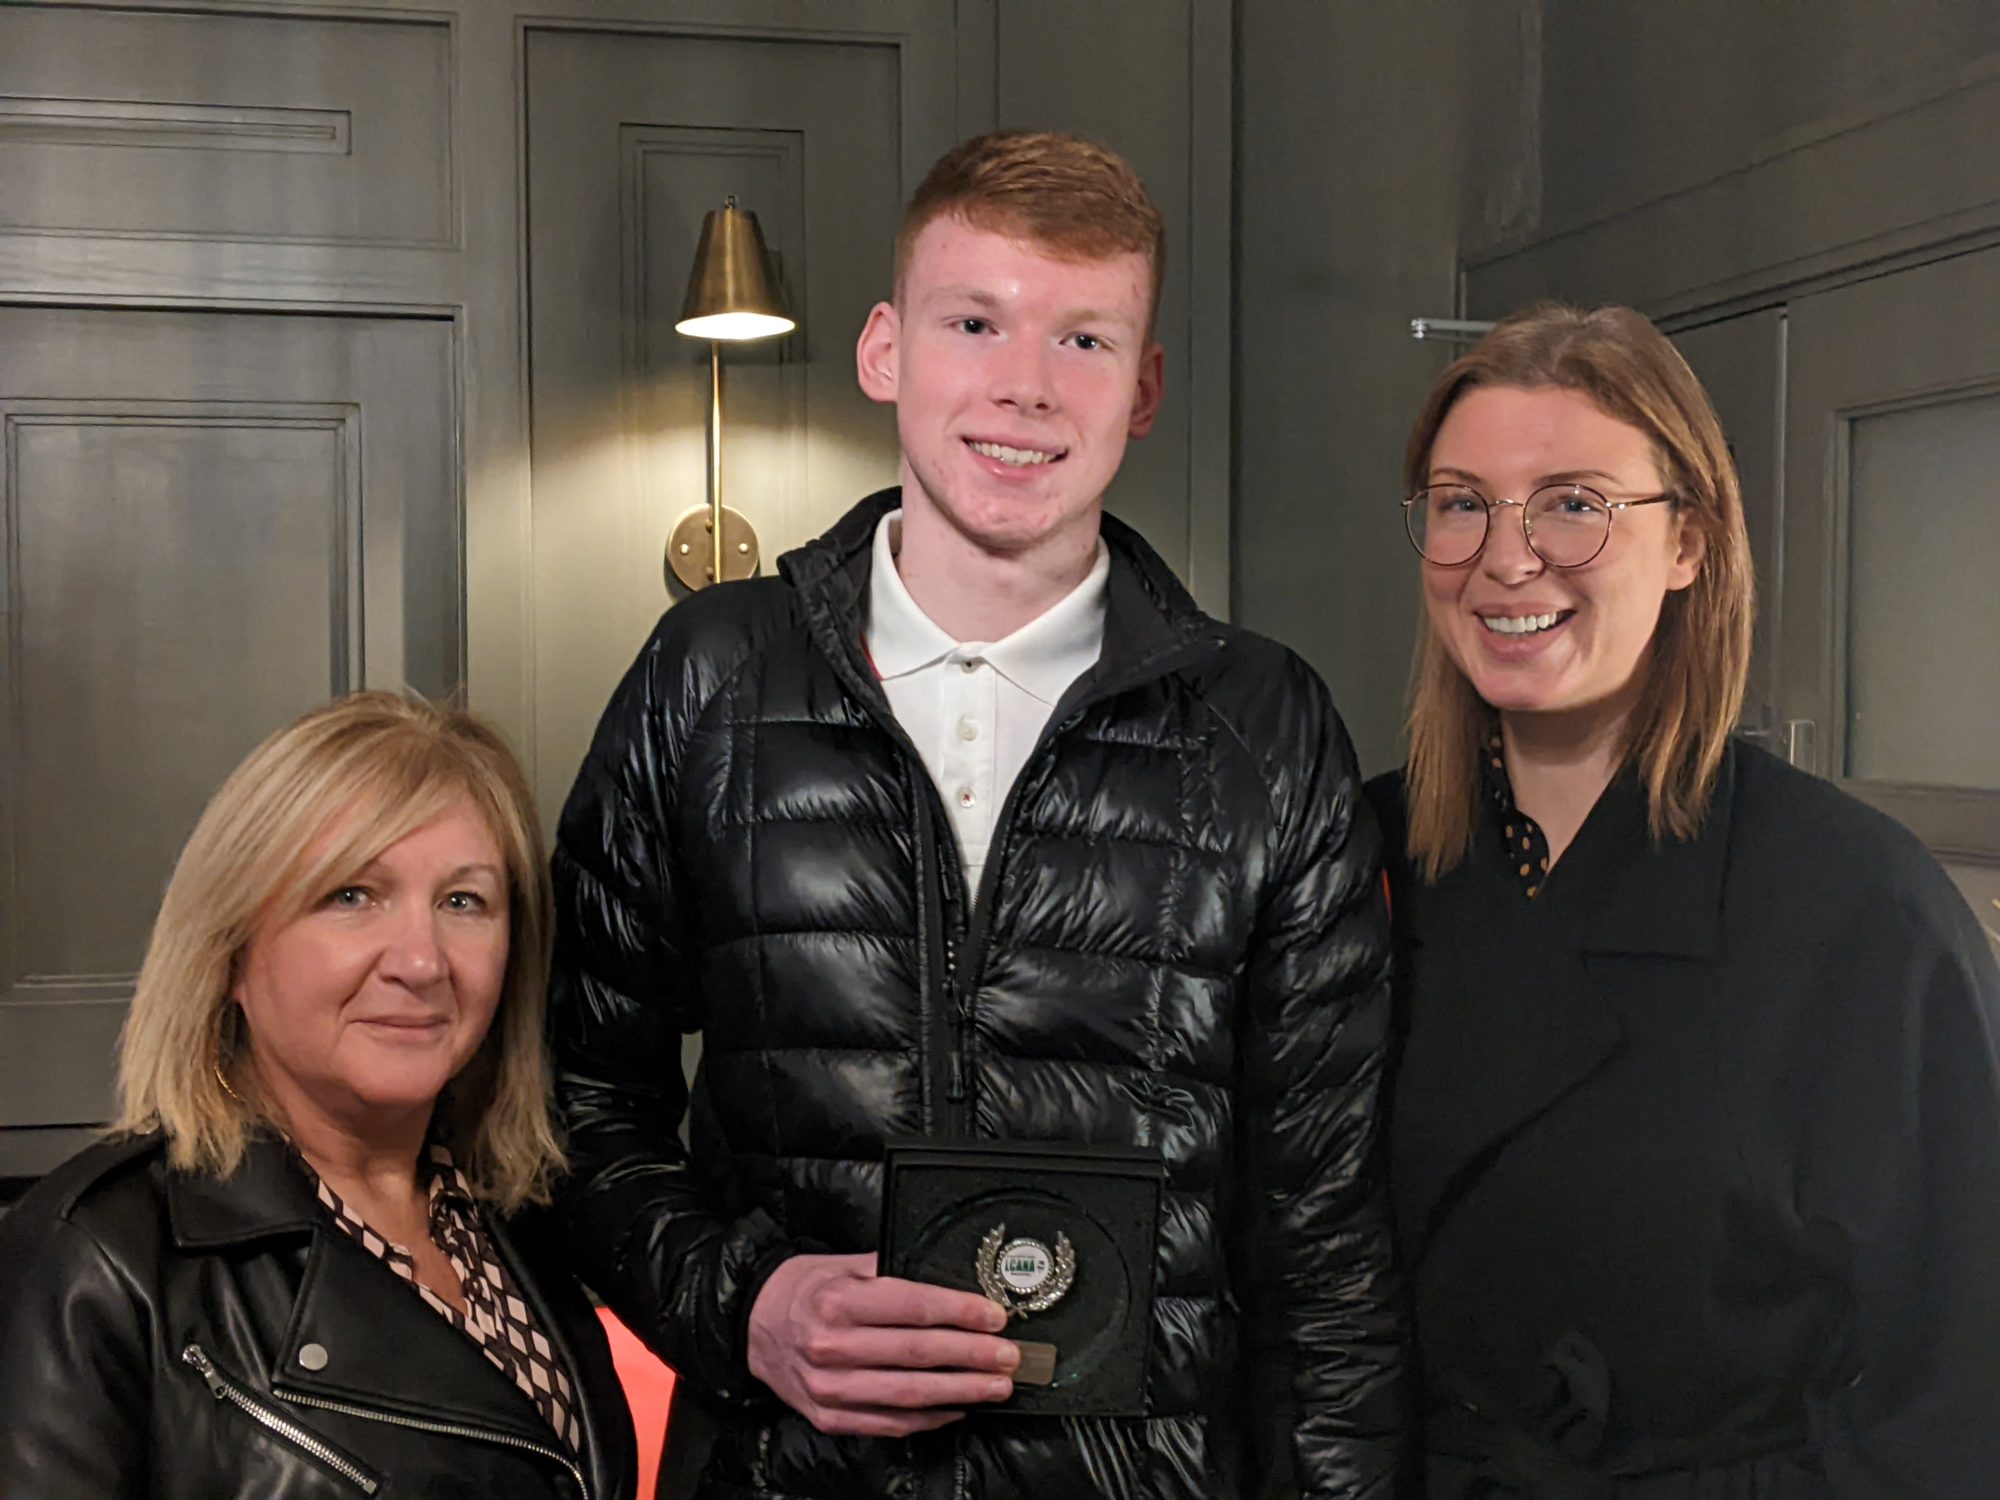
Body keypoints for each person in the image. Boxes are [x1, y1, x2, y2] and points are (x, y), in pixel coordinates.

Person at [548, 130, 1408, 1498]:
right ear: (886, 349)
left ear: (1144, 389)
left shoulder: (1265, 727)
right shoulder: (704, 680)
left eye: (1084, 340)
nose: (1025, 388)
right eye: (975, 322)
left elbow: (1324, 1231)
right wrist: (745, 1303)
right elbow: (575, 1110)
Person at [1367, 302, 2000, 1498]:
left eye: (1573, 503)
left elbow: (1961, 1399)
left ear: (1689, 544)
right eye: (1460, 503)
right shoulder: (1350, 858)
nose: (1507, 558)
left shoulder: (1856, 906)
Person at [0, 692, 638, 1500]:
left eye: (462, 901)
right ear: (231, 950)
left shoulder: (517, 1221)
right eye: (352, 896)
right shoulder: (94, 1258)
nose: (421, 960)